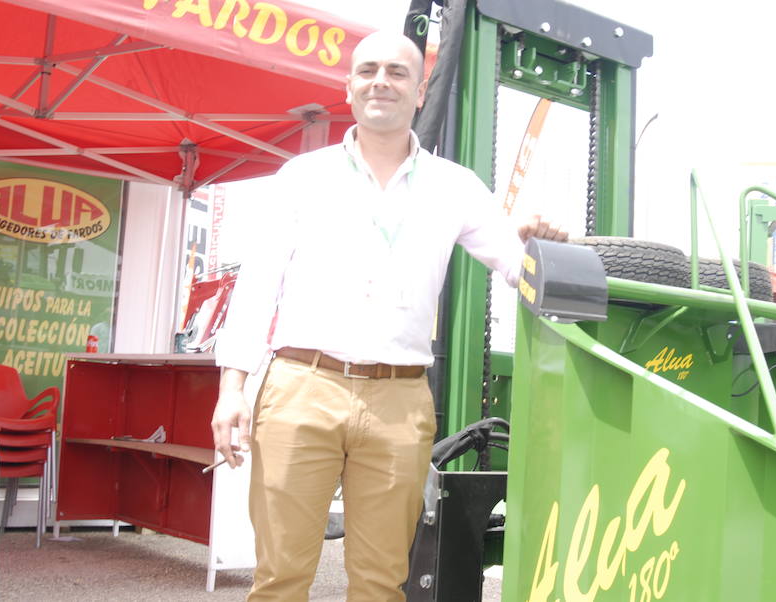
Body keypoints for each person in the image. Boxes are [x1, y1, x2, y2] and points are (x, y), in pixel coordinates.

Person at [210, 31, 568, 601]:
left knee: (382, 582)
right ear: (348, 87)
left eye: (398, 73)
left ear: (421, 91)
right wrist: (232, 389)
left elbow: (515, 263)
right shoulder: (302, 178)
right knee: (279, 578)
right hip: (302, 384)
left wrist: (534, 240)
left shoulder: (455, 186)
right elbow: (258, 287)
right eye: (368, 70)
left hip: (399, 401)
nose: (382, 81)